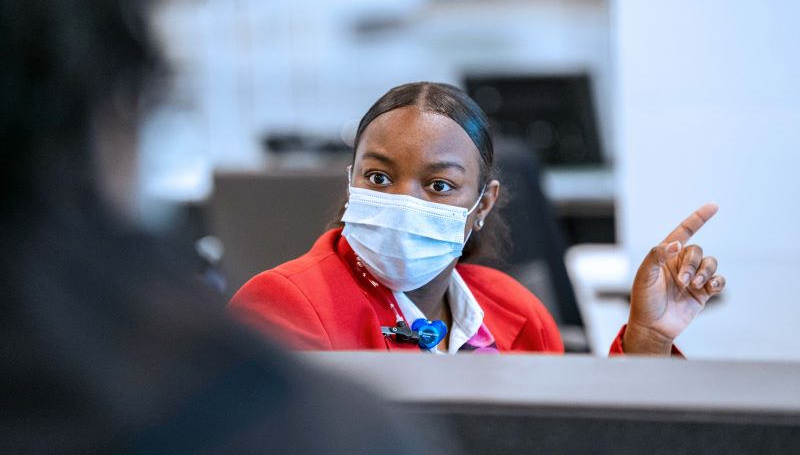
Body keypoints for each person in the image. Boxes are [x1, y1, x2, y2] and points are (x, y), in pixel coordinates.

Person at [0, 0, 468, 455]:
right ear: (119, 112)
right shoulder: (304, 438)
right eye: (379, 177)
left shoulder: (504, 311)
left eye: (438, 184)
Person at [229, 82, 726, 355]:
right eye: (379, 178)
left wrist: (647, 338)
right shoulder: (281, 307)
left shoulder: (516, 311)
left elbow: (579, 454)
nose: (406, 200)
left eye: (439, 185)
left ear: (482, 205)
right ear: (351, 179)